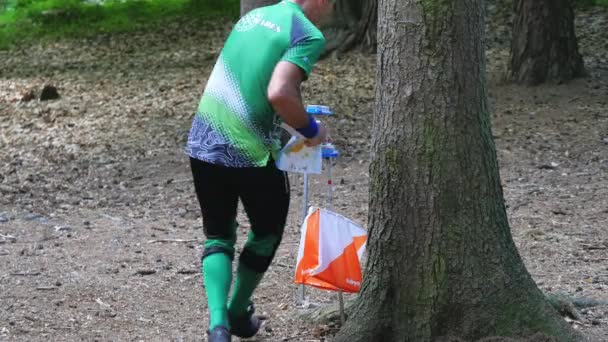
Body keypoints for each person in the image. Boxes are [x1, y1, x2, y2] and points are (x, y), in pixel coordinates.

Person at [184, 0, 335, 341]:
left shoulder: (253, 16)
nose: (333, 10)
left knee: (218, 236)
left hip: (202, 141)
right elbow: (279, 92)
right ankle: (238, 311)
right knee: (267, 232)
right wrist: (312, 131)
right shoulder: (306, 32)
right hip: (249, 152)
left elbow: (248, 83)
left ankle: (217, 326)